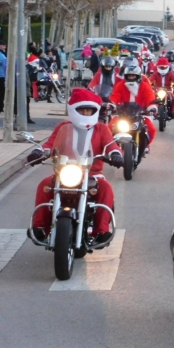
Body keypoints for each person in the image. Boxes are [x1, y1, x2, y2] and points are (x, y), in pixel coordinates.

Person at [27, 88, 123, 244]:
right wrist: (39, 151)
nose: (85, 114)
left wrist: (116, 155)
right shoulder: (63, 127)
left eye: (89, 110)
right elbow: (50, 143)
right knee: (44, 185)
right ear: (74, 110)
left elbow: (111, 145)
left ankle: (101, 230)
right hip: (65, 172)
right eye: (82, 110)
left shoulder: (101, 128)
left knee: (106, 189)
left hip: (93, 175)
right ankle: (40, 228)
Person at [109, 60, 157, 145]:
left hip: (141, 113)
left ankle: (146, 145)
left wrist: (152, 107)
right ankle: (112, 147)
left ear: (138, 76)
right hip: (122, 113)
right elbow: (115, 95)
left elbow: (150, 96)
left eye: (133, 75)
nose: (131, 77)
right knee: (109, 127)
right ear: (125, 76)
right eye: (129, 76)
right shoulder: (121, 85)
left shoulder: (144, 86)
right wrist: (111, 104)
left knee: (151, 129)